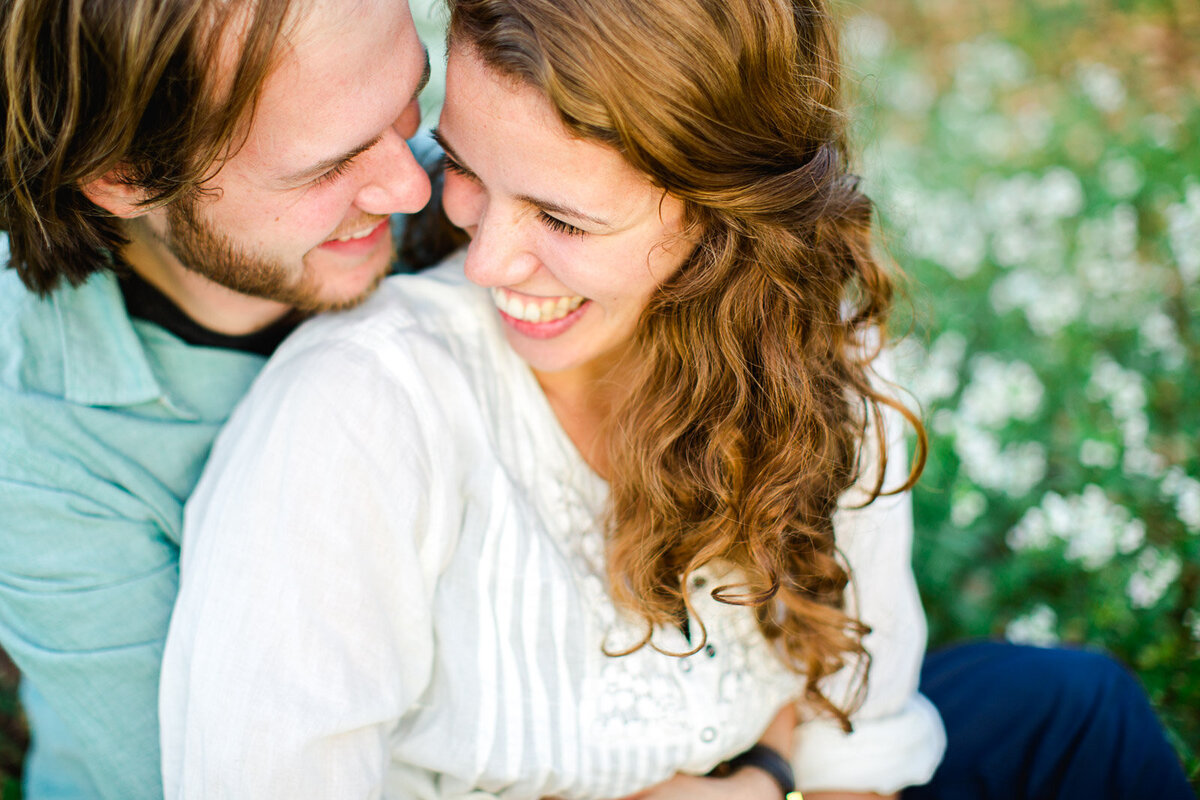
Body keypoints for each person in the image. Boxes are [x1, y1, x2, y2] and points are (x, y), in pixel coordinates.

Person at [160, 0, 1199, 798]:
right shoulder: (356, 418)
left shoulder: (814, 372)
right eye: (469, 170)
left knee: (1077, 709)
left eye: (562, 219)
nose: (486, 260)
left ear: (723, 219)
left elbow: (854, 739)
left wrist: (766, 778)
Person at [0, 0, 434, 795]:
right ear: (125, 176)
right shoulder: (30, 443)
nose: (413, 187)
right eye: (328, 166)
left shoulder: (415, 125)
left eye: (411, 97)